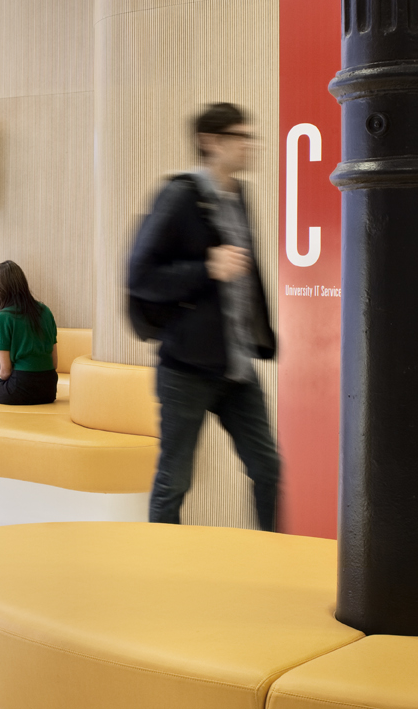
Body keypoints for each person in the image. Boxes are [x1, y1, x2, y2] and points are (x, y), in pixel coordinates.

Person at [127, 102, 280, 530]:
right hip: (185, 370)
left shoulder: (239, 196)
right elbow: (140, 275)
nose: (250, 146)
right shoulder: (179, 196)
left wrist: (261, 335)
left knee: (268, 469)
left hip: (236, 366)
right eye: (241, 137)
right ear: (210, 142)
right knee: (174, 481)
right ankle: (165, 570)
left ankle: (272, 560)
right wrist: (206, 268)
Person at [0, 261, 58, 406]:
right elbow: (55, 362)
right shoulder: (45, 311)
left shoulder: (3, 317)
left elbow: (5, 373)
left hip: (20, 388)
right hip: (49, 390)